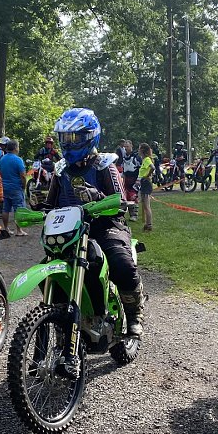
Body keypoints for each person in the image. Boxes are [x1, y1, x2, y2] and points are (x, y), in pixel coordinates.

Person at [44, 107, 145, 338]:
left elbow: (119, 201)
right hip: (70, 231)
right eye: (65, 138)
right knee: (49, 266)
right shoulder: (60, 169)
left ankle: (133, 313)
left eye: (75, 137)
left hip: (106, 226)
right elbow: (50, 204)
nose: (68, 143)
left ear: (90, 137)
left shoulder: (104, 165)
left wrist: (97, 196)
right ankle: (60, 318)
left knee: (122, 264)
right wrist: (39, 208)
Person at [0, 138, 28, 237]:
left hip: (5, 187)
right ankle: (19, 230)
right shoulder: (18, 160)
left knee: (5, 209)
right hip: (16, 187)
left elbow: (1, 173)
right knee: (18, 209)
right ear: (16, 148)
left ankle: (6, 228)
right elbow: (23, 175)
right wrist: (24, 186)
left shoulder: (2, 159)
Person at [121, 140, 141, 221]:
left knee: (133, 196)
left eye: (127, 146)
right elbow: (124, 167)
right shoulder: (124, 156)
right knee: (126, 197)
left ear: (131, 146)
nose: (125, 148)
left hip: (134, 179)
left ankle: (134, 215)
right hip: (126, 179)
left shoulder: (136, 156)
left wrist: (138, 180)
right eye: (124, 146)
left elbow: (140, 168)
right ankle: (128, 214)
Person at [137, 143, 155, 231]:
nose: (138, 150)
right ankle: (146, 223)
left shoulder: (147, 159)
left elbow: (152, 167)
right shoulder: (143, 160)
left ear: (143, 150)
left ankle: (149, 225)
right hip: (143, 183)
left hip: (146, 183)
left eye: (139, 149)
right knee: (144, 204)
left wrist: (147, 175)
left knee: (147, 206)